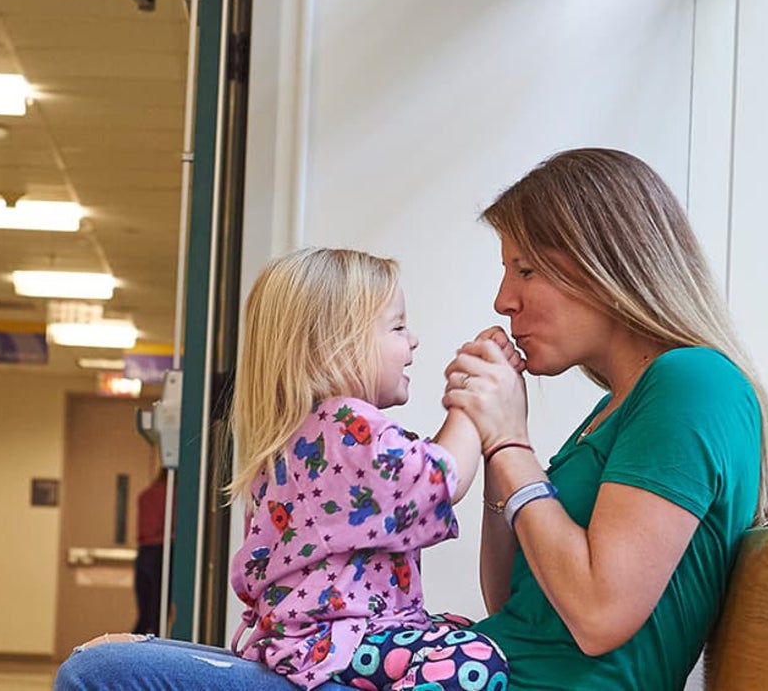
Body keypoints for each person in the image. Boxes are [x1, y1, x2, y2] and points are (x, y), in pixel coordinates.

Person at [55, 248, 510, 691]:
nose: (412, 341)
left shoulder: (296, 439)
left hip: (300, 646)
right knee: (477, 658)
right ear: (338, 346)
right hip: (347, 643)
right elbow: (439, 478)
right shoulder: (346, 423)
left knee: (454, 633)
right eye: (397, 326)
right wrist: (473, 399)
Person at [438, 147, 768, 690]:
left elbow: (599, 614)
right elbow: (513, 601)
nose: (503, 300)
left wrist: (512, 443)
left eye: (525, 270)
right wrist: (493, 442)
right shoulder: (612, 411)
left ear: (606, 264)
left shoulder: (694, 383)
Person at [132, 469, 173, 635]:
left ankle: (130, 652)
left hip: (144, 552)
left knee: (145, 614)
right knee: (159, 614)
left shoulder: (146, 495)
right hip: (162, 553)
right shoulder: (172, 495)